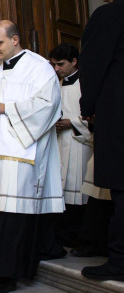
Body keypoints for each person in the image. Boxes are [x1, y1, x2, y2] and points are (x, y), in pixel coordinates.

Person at [0, 20, 65, 293]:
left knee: (14, 216)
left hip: (20, 152)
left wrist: (4, 107)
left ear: (15, 39)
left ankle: (8, 275)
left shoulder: (39, 67)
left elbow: (48, 106)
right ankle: (0, 268)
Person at [79, 0, 124, 281]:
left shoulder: (109, 15)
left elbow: (93, 66)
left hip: (119, 115)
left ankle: (120, 261)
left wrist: (89, 106)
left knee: (122, 189)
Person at [48, 43, 91, 247]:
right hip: (57, 144)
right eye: (53, 65)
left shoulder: (86, 83)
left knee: (79, 193)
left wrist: (71, 122)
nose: (56, 69)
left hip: (79, 143)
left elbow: (93, 114)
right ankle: (62, 236)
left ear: (74, 62)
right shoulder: (54, 84)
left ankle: (81, 238)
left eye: (60, 64)